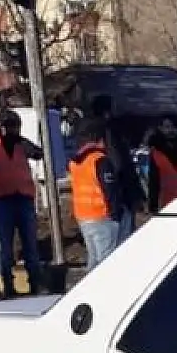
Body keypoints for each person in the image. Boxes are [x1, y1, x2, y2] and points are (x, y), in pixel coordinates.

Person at [0, 109, 46, 298]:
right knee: (5, 246)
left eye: (15, 127)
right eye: (9, 127)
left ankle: (35, 282)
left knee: (30, 244)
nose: (12, 131)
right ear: (1, 128)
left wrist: (22, 140)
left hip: (24, 198)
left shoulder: (21, 145)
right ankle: (8, 286)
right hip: (3, 200)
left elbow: (38, 153)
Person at [67, 115, 126, 270]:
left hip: (84, 216)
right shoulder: (100, 160)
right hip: (102, 217)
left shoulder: (75, 162)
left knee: (94, 261)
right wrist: (116, 214)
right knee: (106, 264)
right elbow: (110, 189)